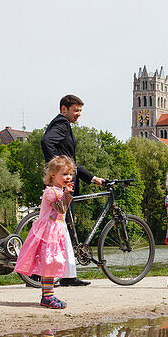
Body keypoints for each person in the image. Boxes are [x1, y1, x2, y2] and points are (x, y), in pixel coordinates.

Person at [41, 94, 105, 287]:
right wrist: (58, 169)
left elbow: (72, 162)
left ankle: (66, 275)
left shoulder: (64, 125)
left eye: (80, 111)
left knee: (65, 229)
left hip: (64, 183)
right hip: (62, 186)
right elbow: (46, 142)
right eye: (75, 110)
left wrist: (92, 178)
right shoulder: (61, 123)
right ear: (64, 109)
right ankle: (45, 274)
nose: (78, 114)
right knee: (58, 229)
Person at [14, 156, 77, 309]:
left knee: (54, 262)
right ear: (53, 175)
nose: (68, 177)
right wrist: (68, 194)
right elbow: (61, 208)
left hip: (57, 230)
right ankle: (47, 296)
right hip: (49, 232)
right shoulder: (51, 192)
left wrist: (66, 194)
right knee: (49, 262)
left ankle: (48, 295)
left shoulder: (58, 191)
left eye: (70, 174)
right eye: (64, 174)